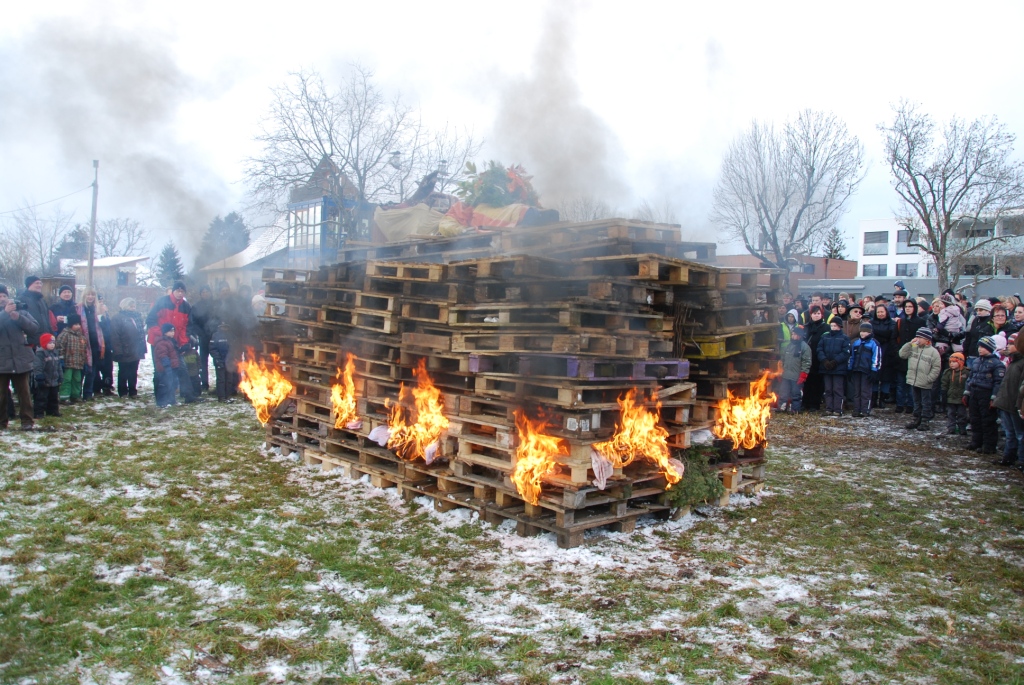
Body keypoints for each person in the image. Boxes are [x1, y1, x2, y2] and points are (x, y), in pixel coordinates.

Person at [0, 284, 39, 430]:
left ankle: (27, 421)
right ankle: (1, 422)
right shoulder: (5, 313)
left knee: (24, 393)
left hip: (20, 359)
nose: (2, 299)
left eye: (4, 296)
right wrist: (5, 314)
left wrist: (19, 318)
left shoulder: (20, 310)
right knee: (1, 395)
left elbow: (34, 328)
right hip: (2, 360)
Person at [146, 281, 192, 396]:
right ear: (173, 291)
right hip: (158, 341)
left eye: (182, 291)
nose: (180, 294)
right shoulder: (162, 302)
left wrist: (184, 342)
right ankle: (160, 395)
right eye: (178, 291)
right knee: (160, 368)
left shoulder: (186, 307)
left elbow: (185, 327)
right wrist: (162, 333)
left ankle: (186, 395)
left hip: (174, 342)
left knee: (180, 367)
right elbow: (150, 320)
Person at [965, 336, 1005, 454]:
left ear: (990, 348)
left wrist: (994, 397)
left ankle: (989, 445)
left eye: (983, 347)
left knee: (988, 420)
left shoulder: (997, 364)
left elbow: (998, 382)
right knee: (975, 418)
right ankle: (976, 441)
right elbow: (970, 378)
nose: (980, 349)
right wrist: (967, 392)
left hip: (986, 393)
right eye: (979, 347)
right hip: (974, 392)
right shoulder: (976, 361)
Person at [899, 328, 942, 430]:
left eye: (920, 337)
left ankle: (925, 421)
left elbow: (936, 368)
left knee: (926, 402)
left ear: (927, 339)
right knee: (916, 401)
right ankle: (916, 419)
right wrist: (910, 344)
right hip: (914, 380)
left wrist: (929, 379)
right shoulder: (914, 347)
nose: (917, 339)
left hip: (925, 382)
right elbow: (902, 354)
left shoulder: (933, 352)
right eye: (917, 336)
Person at [994, 334, 1024, 467]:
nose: (1008, 346)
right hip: (1006, 402)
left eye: (1011, 344)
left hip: (1015, 404)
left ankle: (1021, 460)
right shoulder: (1012, 362)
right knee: (1010, 433)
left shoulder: (1021, 363)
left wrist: (1019, 404)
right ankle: (1008, 457)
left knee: (1020, 434)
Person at [110, 298, 147, 398]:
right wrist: (118, 351)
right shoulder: (117, 318)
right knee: (123, 372)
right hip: (124, 349)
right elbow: (115, 336)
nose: (133, 308)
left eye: (134, 306)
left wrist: (142, 348)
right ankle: (123, 392)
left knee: (133, 372)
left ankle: (133, 391)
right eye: (131, 306)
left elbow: (141, 334)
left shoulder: (137, 317)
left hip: (136, 349)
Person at [893, 299, 925, 414]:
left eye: (910, 306)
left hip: (914, 356)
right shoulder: (900, 322)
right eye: (906, 306)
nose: (907, 308)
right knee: (900, 383)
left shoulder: (920, 322)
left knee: (912, 383)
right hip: (901, 356)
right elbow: (894, 337)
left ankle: (911, 405)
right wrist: (897, 351)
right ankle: (900, 404)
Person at [848, 321, 882, 418]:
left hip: (867, 371)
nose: (863, 333)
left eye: (865, 332)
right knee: (856, 391)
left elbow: (877, 358)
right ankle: (856, 409)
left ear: (870, 332)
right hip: (856, 370)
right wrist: (850, 368)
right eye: (861, 331)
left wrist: (874, 370)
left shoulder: (874, 343)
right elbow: (851, 357)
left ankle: (865, 410)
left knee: (865, 391)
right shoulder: (856, 343)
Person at [817, 318, 851, 416]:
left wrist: (835, 361)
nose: (833, 328)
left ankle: (838, 409)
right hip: (826, 367)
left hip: (839, 368)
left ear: (840, 326)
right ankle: (829, 408)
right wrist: (824, 360)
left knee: (837, 389)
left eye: (835, 326)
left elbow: (846, 352)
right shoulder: (825, 337)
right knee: (828, 389)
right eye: (832, 325)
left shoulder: (844, 338)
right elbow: (819, 349)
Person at [77, 288, 105, 401]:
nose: (90, 297)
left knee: (92, 370)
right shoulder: (78, 308)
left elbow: (105, 325)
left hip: (95, 342)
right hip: (82, 342)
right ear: (84, 296)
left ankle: (88, 393)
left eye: (92, 295)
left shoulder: (98, 309)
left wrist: (103, 317)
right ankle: (77, 393)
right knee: (81, 370)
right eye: (88, 295)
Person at [56, 314, 88, 404]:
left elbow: (84, 350)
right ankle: (64, 396)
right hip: (67, 363)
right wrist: (61, 359)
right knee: (66, 379)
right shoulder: (64, 335)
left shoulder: (81, 337)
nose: (78, 326)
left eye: (79, 324)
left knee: (77, 380)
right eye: (75, 324)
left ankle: (75, 395)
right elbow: (60, 347)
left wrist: (84, 361)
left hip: (78, 363)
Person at [802, 306, 829, 411]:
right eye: (814, 313)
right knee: (807, 381)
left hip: (819, 358)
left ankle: (815, 404)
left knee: (817, 382)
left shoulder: (826, 328)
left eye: (818, 313)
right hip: (806, 357)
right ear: (811, 315)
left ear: (821, 315)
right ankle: (805, 402)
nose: (816, 315)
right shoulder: (806, 327)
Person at [777, 326, 811, 413]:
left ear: (799, 335)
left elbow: (807, 362)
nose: (793, 336)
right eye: (792, 334)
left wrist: (803, 374)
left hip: (797, 376)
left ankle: (795, 409)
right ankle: (782, 408)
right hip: (786, 375)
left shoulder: (805, 347)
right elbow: (782, 360)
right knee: (783, 393)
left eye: (795, 334)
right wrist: (780, 372)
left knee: (796, 394)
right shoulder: (788, 346)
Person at [189, 285, 215, 392]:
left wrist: (216, 331)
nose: (205, 294)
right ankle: (204, 383)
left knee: (217, 360)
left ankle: (220, 383)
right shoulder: (196, 307)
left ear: (210, 292)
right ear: (200, 294)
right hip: (203, 337)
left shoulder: (215, 305)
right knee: (203, 361)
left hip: (214, 337)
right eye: (203, 292)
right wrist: (200, 333)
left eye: (207, 291)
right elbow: (193, 322)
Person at [871, 304, 898, 410]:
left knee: (886, 378)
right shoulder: (872, 322)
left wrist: (877, 334)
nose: (880, 314)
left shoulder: (892, 323)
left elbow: (890, 334)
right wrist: (882, 336)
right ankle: (873, 399)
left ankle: (882, 399)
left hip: (888, 353)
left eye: (882, 312)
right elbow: (871, 334)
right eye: (878, 312)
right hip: (874, 352)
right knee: (874, 377)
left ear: (886, 312)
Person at [32, 333, 61, 419]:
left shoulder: (55, 353)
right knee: (41, 398)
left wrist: (60, 376)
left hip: (54, 380)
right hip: (44, 380)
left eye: (53, 343)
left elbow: (58, 366)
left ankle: (53, 411)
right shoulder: (40, 354)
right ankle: (39, 413)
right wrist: (39, 377)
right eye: (50, 343)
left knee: (54, 397)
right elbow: (37, 366)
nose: (52, 345)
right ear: (44, 343)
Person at [153, 323, 181, 408]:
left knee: (172, 384)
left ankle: (171, 400)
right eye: (170, 331)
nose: (173, 333)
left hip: (173, 367)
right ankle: (162, 402)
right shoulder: (162, 343)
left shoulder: (171, 341)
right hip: (165, 368)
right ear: (165, 332)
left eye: (173, 331)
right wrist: (167, 366)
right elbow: (162, 355)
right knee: (164, 385)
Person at [941, 352, 969, 436]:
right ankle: (951, 428)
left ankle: (962, 428)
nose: (952, 364)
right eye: (950, 362)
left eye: (954, 362)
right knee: (951, 413)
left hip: (961, 398)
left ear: (960, 362)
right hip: (950, 397)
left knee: (962, 414)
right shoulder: (948, 372)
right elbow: (944, 384)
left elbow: (969, 384)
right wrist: (944, 394)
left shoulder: (966, 372)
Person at [21, 276, 52, 347]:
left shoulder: (42, 300)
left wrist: (51, 333)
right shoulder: (22, 299)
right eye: (37, 283)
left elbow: (47, 319)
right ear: (29, 284)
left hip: (44, 339)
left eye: (40, 283)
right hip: (30, 339)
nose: (39, 285)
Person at [209, 321, 235, 403]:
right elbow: (212, 349)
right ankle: (221, 397)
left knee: (229, 380)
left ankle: (227, 396)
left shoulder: (230, 336)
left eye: (226, 326)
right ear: (220, 327)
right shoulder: (215, 336)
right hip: (220, 361)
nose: (224, 328)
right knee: (221, 380)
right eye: (223, 326)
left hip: (229, 361)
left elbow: (234, 348)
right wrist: (217, 359)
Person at [95, 300, 115, 396]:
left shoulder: (107, 317)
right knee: (96, 369)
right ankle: (96, 389)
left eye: (103, 304)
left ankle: (107, 387)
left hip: (107, 346)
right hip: (97, 345)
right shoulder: (94, 316)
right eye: (100, 304)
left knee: (108, 368)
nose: (102, 306)